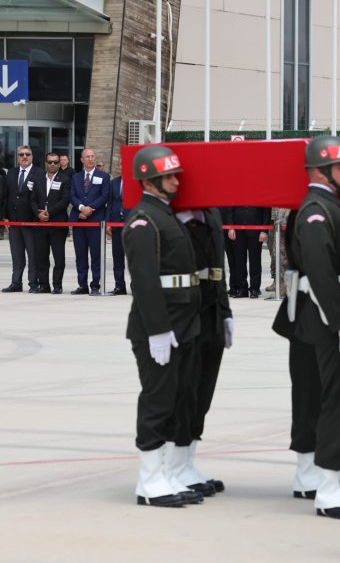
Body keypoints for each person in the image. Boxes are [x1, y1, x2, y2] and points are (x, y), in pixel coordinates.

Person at [272, 135, 340, 520]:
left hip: (322, 313)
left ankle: (323, 475)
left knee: (321, 396)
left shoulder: (328, 207)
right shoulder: (316, 210)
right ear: (320, 170)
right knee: (338, 399)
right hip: (329, 316)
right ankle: (328, 484)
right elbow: (320, 270)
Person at [123, 145, 203, 508]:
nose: (175, 181)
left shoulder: (166, 215)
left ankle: (166, 474)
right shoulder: (144, 220)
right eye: (169, 176)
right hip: (158, 327)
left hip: (181, 325)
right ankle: (149, 479)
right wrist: (157, 329)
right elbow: (144, 280)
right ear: (151, 180)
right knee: (157, 400)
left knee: (175, 398)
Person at [164, 206, 233, 501]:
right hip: (185, 312)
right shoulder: (171, 215)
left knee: (202, 394)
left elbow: (219, 268)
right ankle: (172, 466)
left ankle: (187, 463)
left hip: (211, 313)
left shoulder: (212, 215)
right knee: (183, 392)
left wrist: (226, 311)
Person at [69, 148, 110, 295]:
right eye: (88, 157)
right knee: (80, 255)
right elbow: (72, 195)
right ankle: (82, 284)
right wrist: (80, 207)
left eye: (93, 156)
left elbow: (104, 196)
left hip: (95, 221)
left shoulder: (104, 176)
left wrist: (90, 208)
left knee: (96, 255)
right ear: (82, 159)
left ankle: (95, 285)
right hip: (79, 221)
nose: (91, 159)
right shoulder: (76, 177)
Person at [2, 145, 42, 293]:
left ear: (32, 156)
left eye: (27, 154)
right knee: (17, 255)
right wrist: (5, 217)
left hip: (31, 222)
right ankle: (16, 282)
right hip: (13, 221)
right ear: (17, 157)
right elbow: (6, 196)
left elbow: (41, 197)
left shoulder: (39, 173)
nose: (24, 157)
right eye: (21, 154)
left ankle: (33, 283)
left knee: (33, 255)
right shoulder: (11, 173)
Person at [30, 152, 71, 294]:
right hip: (40, 224)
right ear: (45, 163)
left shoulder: (65, 179)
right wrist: (38, 213)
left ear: (59, 164)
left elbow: (65, 201)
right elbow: (32, 199)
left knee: (59, 257)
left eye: (55, 162)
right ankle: (44, 285)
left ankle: (57, 285)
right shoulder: (38, 178)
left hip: (58, 224)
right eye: (50, 162)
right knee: (41, 256)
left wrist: (49, 213)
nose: (52, 164)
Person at [222, 206, 270, 298]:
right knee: (239, 261)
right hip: (238, 231)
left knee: (255, 261)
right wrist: (230, 227)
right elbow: (230, 210)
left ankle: (254, 289)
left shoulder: (260, 192)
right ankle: (242, 288)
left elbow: (266, 212)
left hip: (255, 231)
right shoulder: (236, 192)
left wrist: (264, 231)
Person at [106, 174, 129, 295]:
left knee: (133, 258)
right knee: (117, 257)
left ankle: (136, 286)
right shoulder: (114, 182)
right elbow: (110, 203)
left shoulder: (136, 181)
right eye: (120, 163)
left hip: (132, 223)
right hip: (116, 223)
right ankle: (119, 286)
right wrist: (109, 222)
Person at [266, 207, 290, 296]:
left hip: (283, 220)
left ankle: (283, 283)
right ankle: (276, 280)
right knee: (274, 252)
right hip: (273, 220)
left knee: (282, 253)